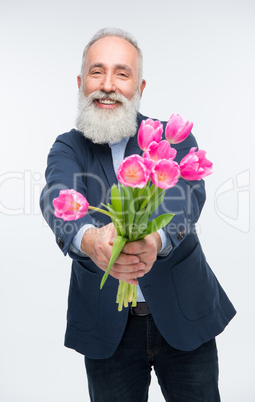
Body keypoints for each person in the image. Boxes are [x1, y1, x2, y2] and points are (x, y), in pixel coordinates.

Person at [40, 27, 236, 402]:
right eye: (97, 72)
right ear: (81, 83)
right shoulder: (67, 147)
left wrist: (154, 240)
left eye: (122, 73)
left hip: (183, 312)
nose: (108, 85)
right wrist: (91, 239)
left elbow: (185, 196)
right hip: (106, 326)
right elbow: (56, 197)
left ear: (140, 87)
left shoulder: (169, 137)